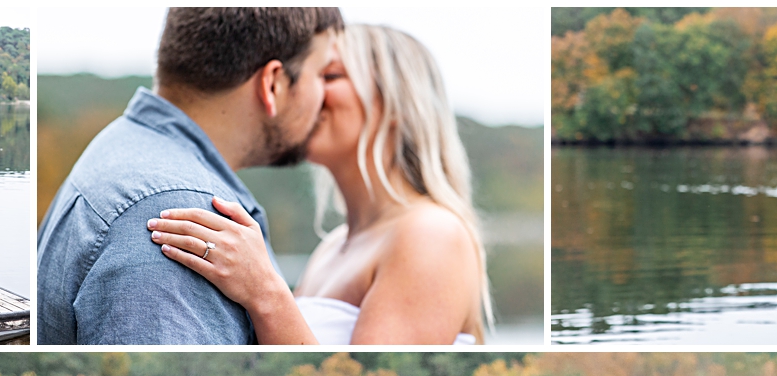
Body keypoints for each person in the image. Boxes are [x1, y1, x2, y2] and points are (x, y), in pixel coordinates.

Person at [147, 24, 490, 345]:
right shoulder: (333, 248)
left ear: (396, 102)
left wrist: (265, 293)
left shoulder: (431, 234)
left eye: (330, 75)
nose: (305, 90)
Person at [37, 7, 338, 345]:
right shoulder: (184, 219)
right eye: (323, 75)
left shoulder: (120, 144)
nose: (326, 98)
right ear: (273, 84)